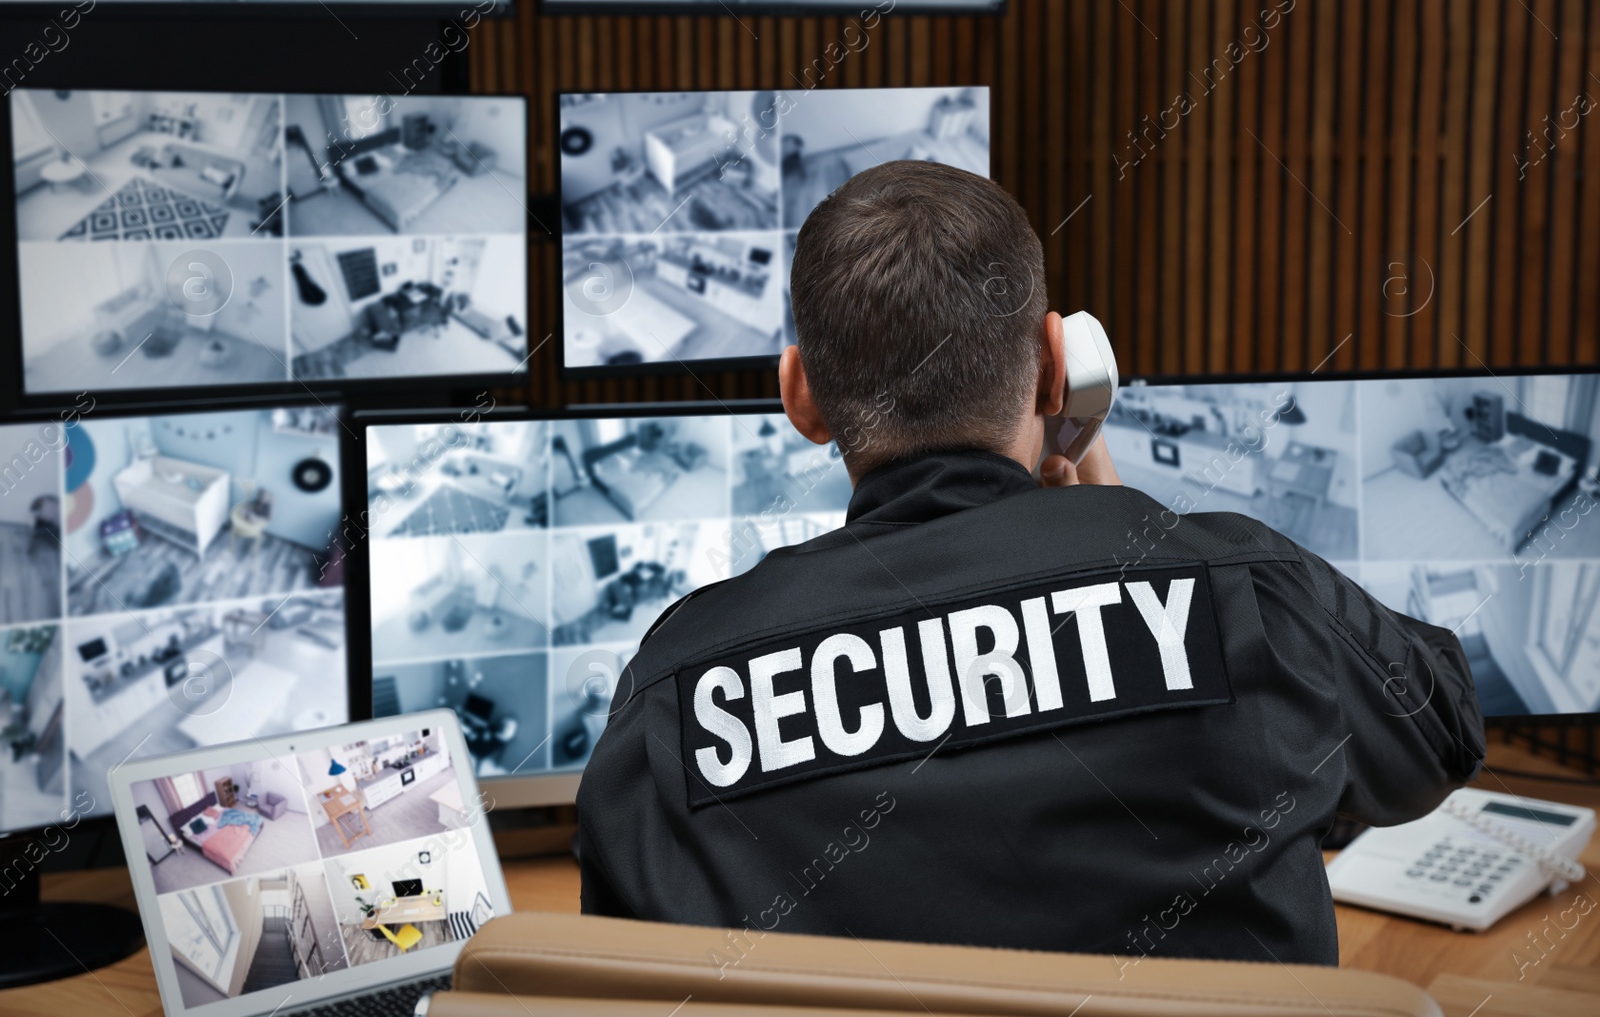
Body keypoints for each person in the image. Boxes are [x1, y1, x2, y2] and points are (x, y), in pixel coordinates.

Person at [576, 161, 1483, 968]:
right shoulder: (1239, 590)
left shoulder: (675, 692)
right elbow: (1439, 728)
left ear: (800, 395)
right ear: (1060, 371)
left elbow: (627, 962)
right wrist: (1137, 530)